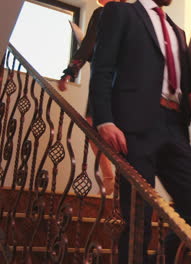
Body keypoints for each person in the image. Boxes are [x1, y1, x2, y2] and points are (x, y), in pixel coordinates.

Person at [89, 0, 191, 263]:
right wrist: (104, 120)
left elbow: (175, 81)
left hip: (175, 125)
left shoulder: (177, 31)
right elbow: (102, 66)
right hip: (134, 125)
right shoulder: (120, 12)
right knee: (137, 218)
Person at [58, 0, 124, 195]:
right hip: (124, 79)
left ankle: (112, 178)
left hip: (107, 78)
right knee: (103, 126)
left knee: (94, 125)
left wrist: (70, 71)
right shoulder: (133, 15)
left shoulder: (103, 13)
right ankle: (114, 179)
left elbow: (88, 44)